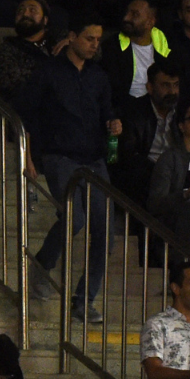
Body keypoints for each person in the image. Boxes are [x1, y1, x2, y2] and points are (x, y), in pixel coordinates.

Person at [19, 18, 119, 321]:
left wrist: (114, 123)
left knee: (105, 230)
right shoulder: (49, 71)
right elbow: (26, 115)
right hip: (59, 155)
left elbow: (107, 112)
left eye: (97, 40)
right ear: (72, 36)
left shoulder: (98, 75)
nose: (94, 45)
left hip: (94, 158)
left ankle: (84, 299)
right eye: (89, 38)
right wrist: (28, 157)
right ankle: (43, 264)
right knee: (74, 218)